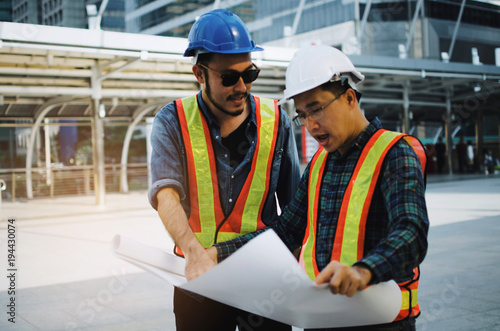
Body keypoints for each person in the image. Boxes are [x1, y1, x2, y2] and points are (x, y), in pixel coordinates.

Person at [210, 45, 429, 330]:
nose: (311, 126)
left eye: (317, 109)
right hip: (323, 318)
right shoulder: (319, 164)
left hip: (379, 320)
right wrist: (216, 253)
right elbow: (285, 230)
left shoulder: (394, 154)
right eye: (302, 115)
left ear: (349, 97)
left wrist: (364, 271)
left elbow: (411, 232)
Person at [148, 9, 300, 331]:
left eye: (250, 74)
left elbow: (295, 207)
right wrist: (194, 253)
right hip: (200, 278)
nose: (242, 86)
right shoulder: (172, 121)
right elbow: (165, 195)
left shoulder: (277, 121)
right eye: (229, 78)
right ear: (199, 74)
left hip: (264, 278)